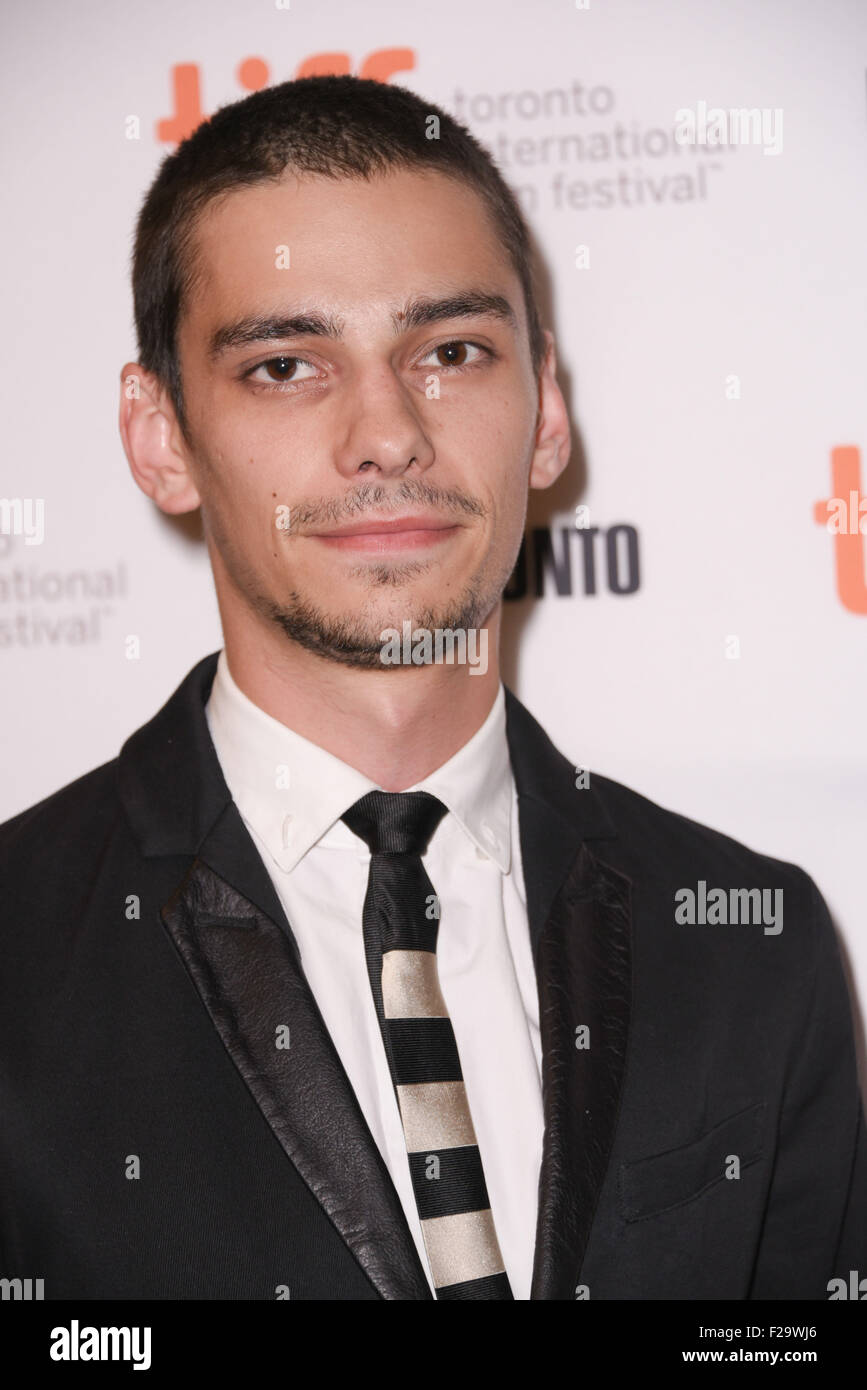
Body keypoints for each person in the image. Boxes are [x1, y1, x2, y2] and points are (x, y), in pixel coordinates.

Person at [0, 75, 863, 1301]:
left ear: (546, 408)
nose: (388, 432)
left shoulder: (751, 945)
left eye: (450, 351)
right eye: (287, 364)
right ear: (160, 438)